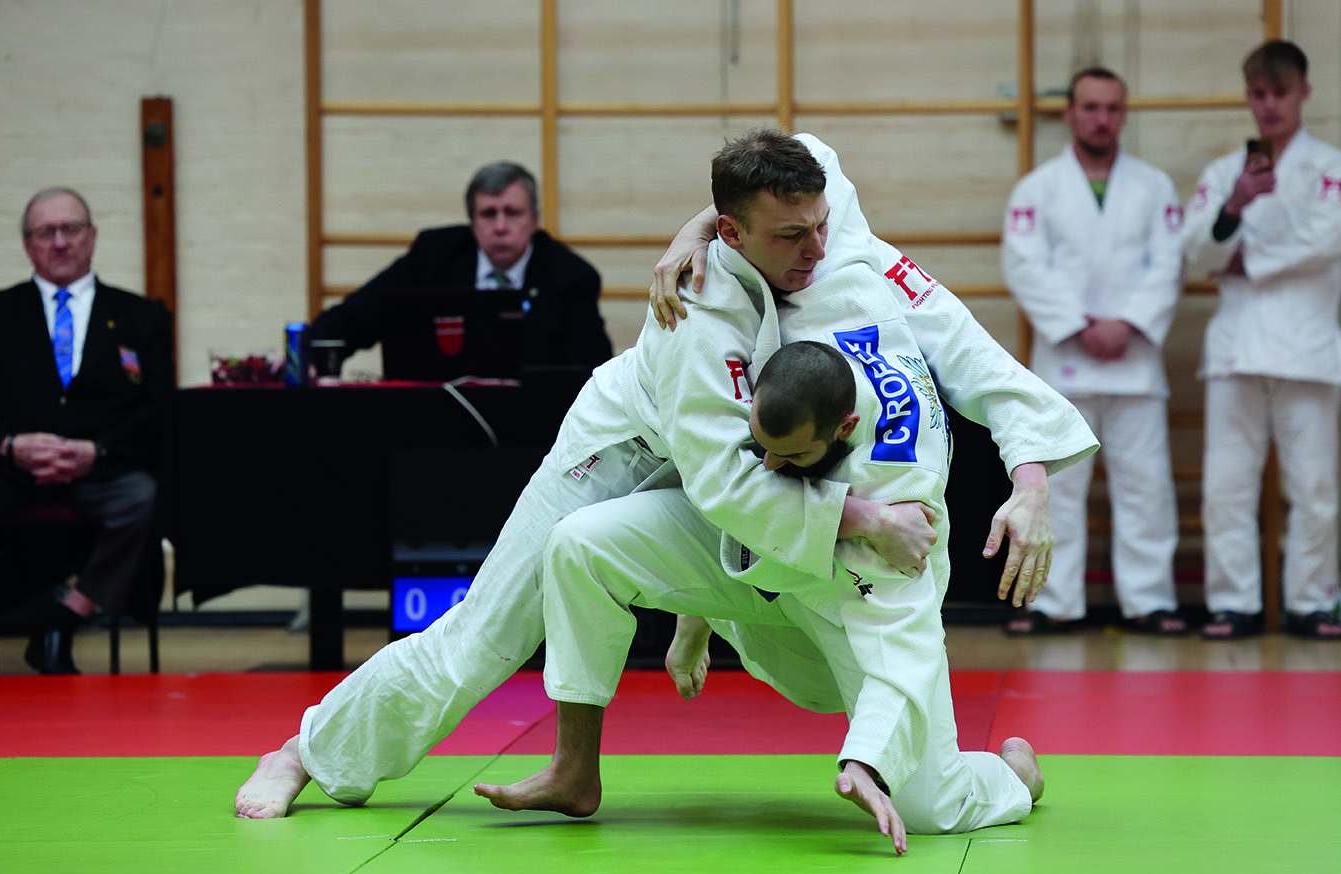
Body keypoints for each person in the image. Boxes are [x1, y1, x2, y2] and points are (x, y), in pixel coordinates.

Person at [234, 130, 1095, 822]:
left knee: (920, 777)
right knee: (486, 635)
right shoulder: (696, 312)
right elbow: (724, 488)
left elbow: (972, 358)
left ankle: (992, 774)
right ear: (733, 234)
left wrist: (1029, 479)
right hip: (627, 452)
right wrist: (860, 516)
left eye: (818, 225)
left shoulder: (836, 233)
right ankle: (308, 753)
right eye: (789, 237)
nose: (814, 247)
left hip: (765, 461)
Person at [474, 341, 1058, 852]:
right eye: (763, 448)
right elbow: (720, 489)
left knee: (932, 808)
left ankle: (1011, 775)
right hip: (757, 568)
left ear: (844, 429)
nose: (772, 467)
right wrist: (696, 230)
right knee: (578, 543)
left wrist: (864, 761)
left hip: (851, 613)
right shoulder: (766, 359)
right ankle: (574, 768)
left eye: (794, 456)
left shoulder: (900, 499)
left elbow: (904, 639)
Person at [0, 187, 175, 675]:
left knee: (147, 497)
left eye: (71, 229)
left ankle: (62, 623)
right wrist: (9, 444)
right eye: (46, 232)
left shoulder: (141, 317)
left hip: (99, 469)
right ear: (27, 244)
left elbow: (160, 409)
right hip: (5, 464)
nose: (60, 242)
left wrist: (96, 451)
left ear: (92, 237)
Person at [1000, 67, 1186, 636]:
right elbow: (1024, 266)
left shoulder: (1154, 187)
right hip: (1067, 365)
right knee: (1058, 492)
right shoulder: (1038, 189)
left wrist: (1127, 323)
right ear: (1071, 113)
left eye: (1111, 108)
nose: (1101, 118)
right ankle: (1054, 603)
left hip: (1134, 363)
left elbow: (1168, 264)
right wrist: (1080, 325)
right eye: (1090, 107)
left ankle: (1149, 600)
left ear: (1122, 115)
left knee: (1146, 488)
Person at [1180, 41, 1341, 640]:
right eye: (1259, 94)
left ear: (1304, 92)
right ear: (1248, 96)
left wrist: (1247, 259)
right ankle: (1233, 604)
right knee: (1227, 484)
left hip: (1306, 346)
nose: (1269, 106)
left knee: (1316, 485)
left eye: (1281, 93)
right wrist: (1234, 207)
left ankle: (1313, 602)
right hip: (1236, 348)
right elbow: (1195, 250)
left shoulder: (1330, 167)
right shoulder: (1226, 173)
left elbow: (1325, 242)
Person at [307, 161, 612, 373]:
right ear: (472, 222)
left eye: (513, 213)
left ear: (534, 219)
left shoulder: (571, 277)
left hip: (535, 429)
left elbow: (590, 372)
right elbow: (357, 316)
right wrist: (306, 354)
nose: (501, 226)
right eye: (489, 214)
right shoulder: (435, 255)